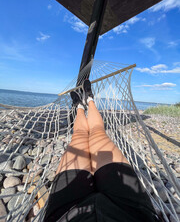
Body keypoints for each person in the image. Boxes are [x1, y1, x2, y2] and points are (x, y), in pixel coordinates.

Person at [44, 80, 161, 222]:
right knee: (98, 133)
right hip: (133, 214)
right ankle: (89, 99)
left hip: (64, 215)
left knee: (79, 135)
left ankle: (80, 106)